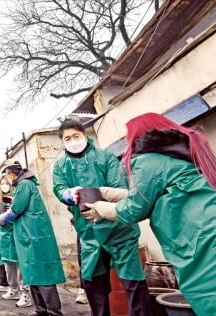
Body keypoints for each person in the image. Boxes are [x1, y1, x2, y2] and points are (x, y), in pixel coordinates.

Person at [83, 113, 216, 316]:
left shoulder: (146, 160)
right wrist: (107, 192)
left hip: (214, 247)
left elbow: (133, 209)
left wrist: (99, 207)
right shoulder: (183, 156)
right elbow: (156, 194)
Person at [52, 119, 151, 315]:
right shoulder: (61, 166)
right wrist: (66, 194)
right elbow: (58, 187)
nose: (73, 141)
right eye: (67, 138)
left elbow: (120, 188)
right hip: (88, 232)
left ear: (84, 135)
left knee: (133, 282)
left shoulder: (105, 157)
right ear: (62, 142)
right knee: (94, 285)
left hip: (119, 228)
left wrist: (101, 202)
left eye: (76, 136)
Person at [0, 163, 65, 316]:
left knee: (43, 275)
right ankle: (40, 309)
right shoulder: (23, 185)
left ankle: (54, 312)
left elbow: (16, 209)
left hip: (35, 236)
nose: (7, 180)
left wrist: (2, 218)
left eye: (7, 176)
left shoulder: (25, 184)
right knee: (31, 274)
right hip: (28, 235)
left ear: (12, 174)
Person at [0, 175, 32, 307]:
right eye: (2, 184)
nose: (4, 186)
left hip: (17, 233)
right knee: (8, 264)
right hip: (4, 236)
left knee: (21, 265)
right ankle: (13, 289)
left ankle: (25, 293)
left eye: (7, 183)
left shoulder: (18, 197)